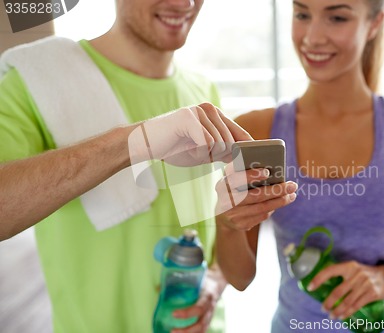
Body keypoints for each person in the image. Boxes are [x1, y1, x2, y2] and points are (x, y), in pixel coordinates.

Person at [0, 0, 297, 332]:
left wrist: (214, 281)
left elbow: (222, 254)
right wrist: (135, 141)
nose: (184, 4)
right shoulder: (34, 83)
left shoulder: (203, 92)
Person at [215, 0, 384, 332]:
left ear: (375, 23)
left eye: (336, 18)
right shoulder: (257, 132)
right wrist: (226, 223)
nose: (312, 37)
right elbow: (239, 278)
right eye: (302, 14)